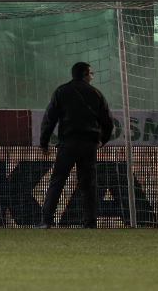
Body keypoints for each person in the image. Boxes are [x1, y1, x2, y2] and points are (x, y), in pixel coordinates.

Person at [38, 61, 114, 229]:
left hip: (68, 143)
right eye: (91, 73)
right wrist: (103, 140)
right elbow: (108, 121)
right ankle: (90, 222)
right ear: (85, 74)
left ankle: (47, 220)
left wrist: (44, 142)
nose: (92, 77)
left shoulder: (61, 91)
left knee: (57, 182)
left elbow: (49, 118)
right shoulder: (96, 94)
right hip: (89, 144)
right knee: (88, 184)